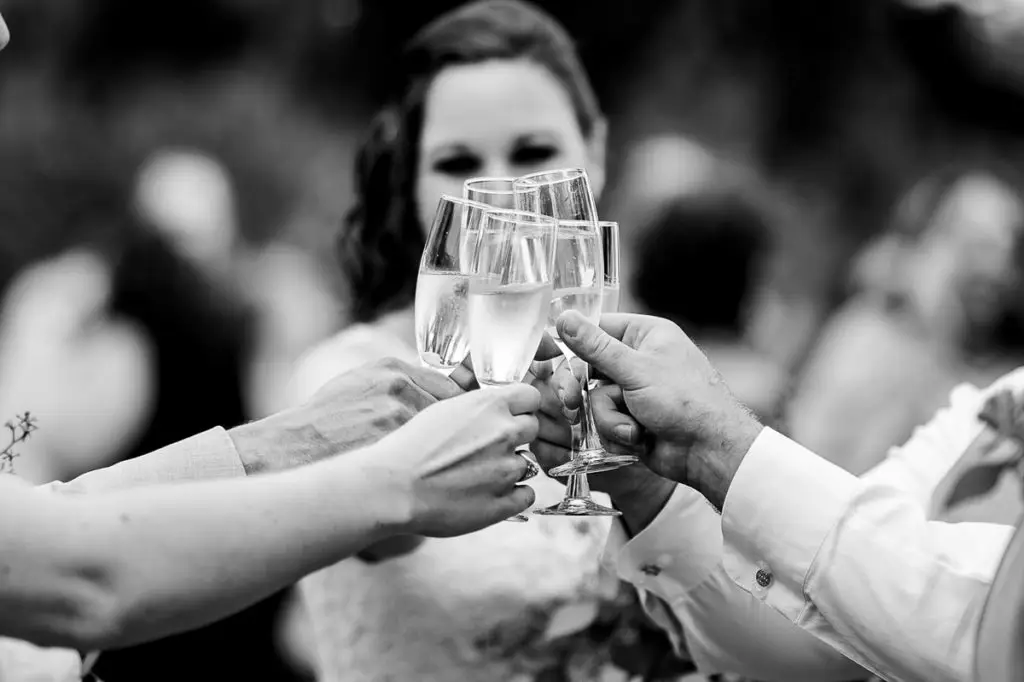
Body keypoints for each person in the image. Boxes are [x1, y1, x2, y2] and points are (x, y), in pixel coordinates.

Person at [284, 2, 656, 680]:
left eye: (534, 152)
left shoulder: (644, 373)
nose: (498, 191)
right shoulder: (347, 383)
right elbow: (365, 527)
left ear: (594, 154)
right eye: (457, 163)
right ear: (411, 181)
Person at [532, 309, 1018, 682]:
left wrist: (718, 445)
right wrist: (647, 489)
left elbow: (989, 628)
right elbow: (825, 644)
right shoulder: (1001, 402)